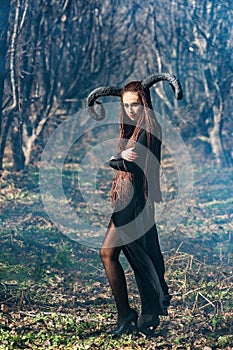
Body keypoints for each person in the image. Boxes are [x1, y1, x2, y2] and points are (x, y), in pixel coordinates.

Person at [87, 73, 182, 336]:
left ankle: (132, 313)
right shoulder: (133, 129)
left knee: (123, 255)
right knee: (108, 254)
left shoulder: (148, 129)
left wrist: (114, 156)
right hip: (127, 199)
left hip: (133, 202)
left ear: (145, 103)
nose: (130, 110)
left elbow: (128, 164)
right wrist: (119, 155)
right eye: (126, 105)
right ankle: (126, 313)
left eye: (135, 104)